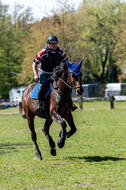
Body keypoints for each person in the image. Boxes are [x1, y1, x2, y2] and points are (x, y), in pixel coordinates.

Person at [32, 35, 77, 113]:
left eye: (55, 43)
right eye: (52, 43)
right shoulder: (43, 52)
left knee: (65, 85)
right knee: (42, 87)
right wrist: (36, 74)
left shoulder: (61, 52)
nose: (54, 45)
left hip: (55, 73)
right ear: (48, 44)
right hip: (44, 73)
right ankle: (39, 105)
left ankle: (70, 104)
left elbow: (66, 63)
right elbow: (34, 64)